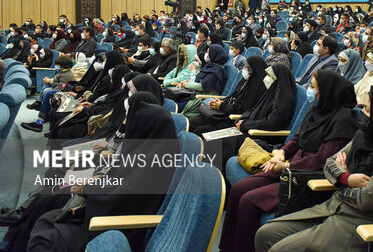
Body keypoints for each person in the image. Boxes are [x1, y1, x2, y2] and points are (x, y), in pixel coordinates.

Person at [255, 87, 373, 252]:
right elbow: (330, 162)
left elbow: (366, 200)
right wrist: (346, 178)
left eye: (368, 110)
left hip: (360, 223)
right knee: (265, 234)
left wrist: (340, 182)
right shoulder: (364, 135)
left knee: (280, 250)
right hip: (333, 206)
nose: (362, 114)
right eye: (363, 108)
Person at [219, 70, 357, 252]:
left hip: (306, 178)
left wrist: (287, 165)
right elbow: (297, 138)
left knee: (249, 201)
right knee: (238, 189)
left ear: (327, 91)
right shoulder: (317, 109)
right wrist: (281, 153)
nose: (310, 90)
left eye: (314, 87)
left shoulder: (342, 121)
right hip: (290, 167)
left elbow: (321, 160)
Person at [26, 93, 178, 252]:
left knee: (44, 234)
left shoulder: (151, 165)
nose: (127, 125)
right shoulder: (151, 152)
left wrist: (86, 188)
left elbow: (121, 196)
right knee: (47, 211)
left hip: (113, 227)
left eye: (132, 124)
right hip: (107, 214)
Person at [190, 56, 267, 134]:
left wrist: (221, 106)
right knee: (192, 122)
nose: (244, 68)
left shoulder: (258, 89)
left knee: (199, 130)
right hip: (225, 114)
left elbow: (243, 109)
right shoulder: (245, 81)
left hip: (234, 121)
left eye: (246, 67)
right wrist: (221, 102)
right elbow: (233, 97)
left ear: (253, 70)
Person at [21, 55, 76, 132]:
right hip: (60, 89)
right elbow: (57, 81)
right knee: (46, 87)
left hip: (64, 92)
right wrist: (49, 81)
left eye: (58, 65)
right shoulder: (62, 72)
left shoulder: (67, 75)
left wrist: (51, 83)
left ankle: (40, 119)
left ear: (62, 66)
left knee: (48, 91)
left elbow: (61, 87)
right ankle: (39, 103)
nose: (56, 66)